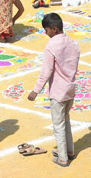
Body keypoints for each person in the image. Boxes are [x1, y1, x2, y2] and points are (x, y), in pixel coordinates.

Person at [26, 13, 80, 168]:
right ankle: (69, 150)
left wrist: (36, 90)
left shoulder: (51, 46)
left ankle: (63, 158)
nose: (46, 32)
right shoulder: (73, 43)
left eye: (47, 30)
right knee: (66, 120)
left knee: (58, 125)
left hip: (58, 91)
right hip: (70, 88)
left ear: (54, 29)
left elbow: (47, 71)